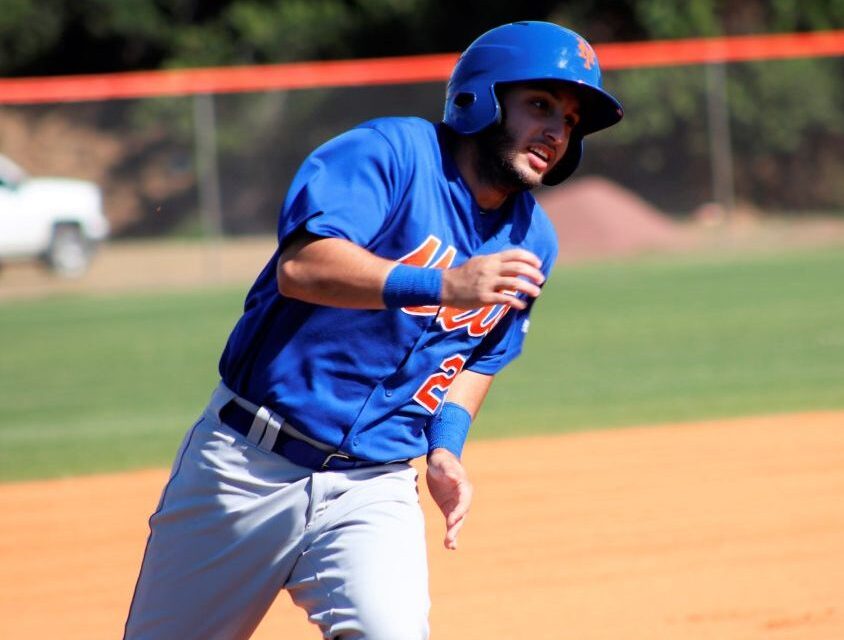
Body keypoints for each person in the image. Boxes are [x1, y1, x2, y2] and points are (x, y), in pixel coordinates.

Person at [124, 20, 622, 640]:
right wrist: (444, 284)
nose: (555, 130)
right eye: (540, 105)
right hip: (248, 467)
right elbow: (303, 266)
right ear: (484, 97)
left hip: (373, 485)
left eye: (570, 120)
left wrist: (446, 445)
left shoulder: (533, 239)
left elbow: (482, 355)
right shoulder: (391, 154)